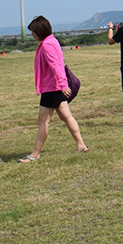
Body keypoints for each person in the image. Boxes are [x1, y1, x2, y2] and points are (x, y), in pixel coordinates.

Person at [19, 16, 87, 162]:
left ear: (40, 30)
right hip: (55, 87)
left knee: (43, 121)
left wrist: (63, 85)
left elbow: (56, 66)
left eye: (33, 31)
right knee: (66, 117)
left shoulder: (47, 45)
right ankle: (81, 145)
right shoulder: (51, 40)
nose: (32, 34)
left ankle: (35, 154)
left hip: (52, 88)